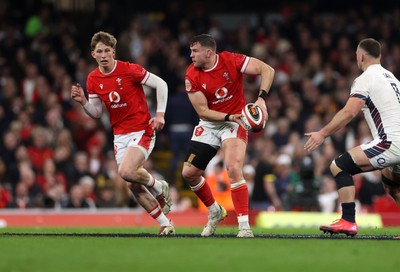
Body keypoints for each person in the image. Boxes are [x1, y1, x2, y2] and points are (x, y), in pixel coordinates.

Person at [71, 31, 174, 235]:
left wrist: (160, 114)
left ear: (113, 52)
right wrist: (83, 102)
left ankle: (158, 186)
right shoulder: (92, 79)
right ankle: (165, 224)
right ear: (93, 54)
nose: (103, 55)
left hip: (143, 129)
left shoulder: (129, 69)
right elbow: (97, 112)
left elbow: (161, 84)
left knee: (126, 172)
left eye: (107, 51)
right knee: (132, 184)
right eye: (99, 51)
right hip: (120, 135)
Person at [304, 38, 400, 236]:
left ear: (360, 56)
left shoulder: (366, 78)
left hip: (391, 142)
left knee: (339, 166)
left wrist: (322, 133)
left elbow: (349, 112)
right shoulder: (393, 79)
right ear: (379, 55)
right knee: (391, 183)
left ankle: (347, 220)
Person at [182, 34, 275, 237]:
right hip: (211, 123)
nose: (191, 55)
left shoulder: (231, 60)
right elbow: (203, 111)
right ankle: (215, 211)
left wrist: (261, 100)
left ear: (209, 52)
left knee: (233, 168)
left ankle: (244, 226)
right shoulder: (191, 74)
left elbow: (267, 69)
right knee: (188, 174)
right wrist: (229, 115)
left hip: (235, 122)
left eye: (195, 51)